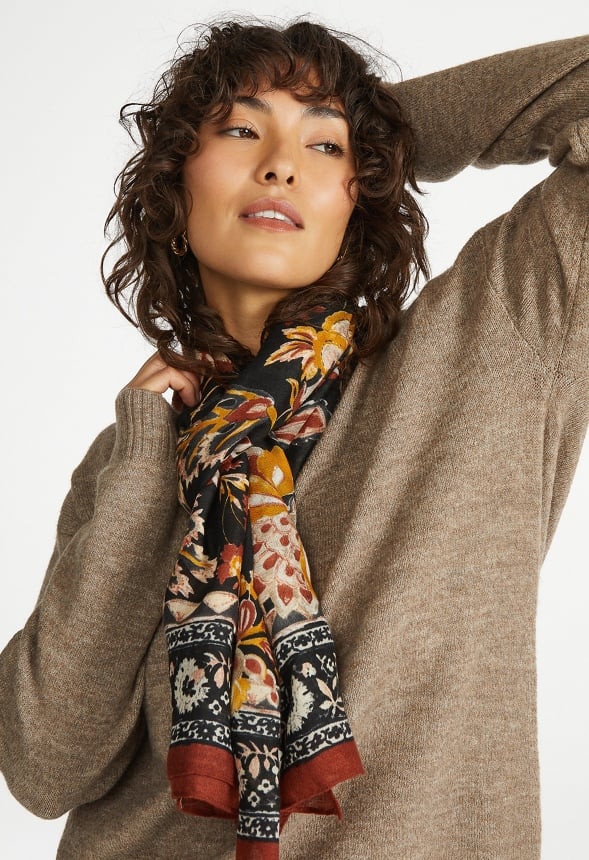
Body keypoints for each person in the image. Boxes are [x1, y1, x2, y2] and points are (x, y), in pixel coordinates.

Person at [0, 16, 588, 860]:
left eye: (322, 146)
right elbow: (45, 768)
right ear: (175, 185)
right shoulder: (130, 459)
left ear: (364, 193)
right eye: (241, 131)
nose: (280, 164)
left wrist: (384, 135)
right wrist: (139, 476)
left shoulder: (493, 339)